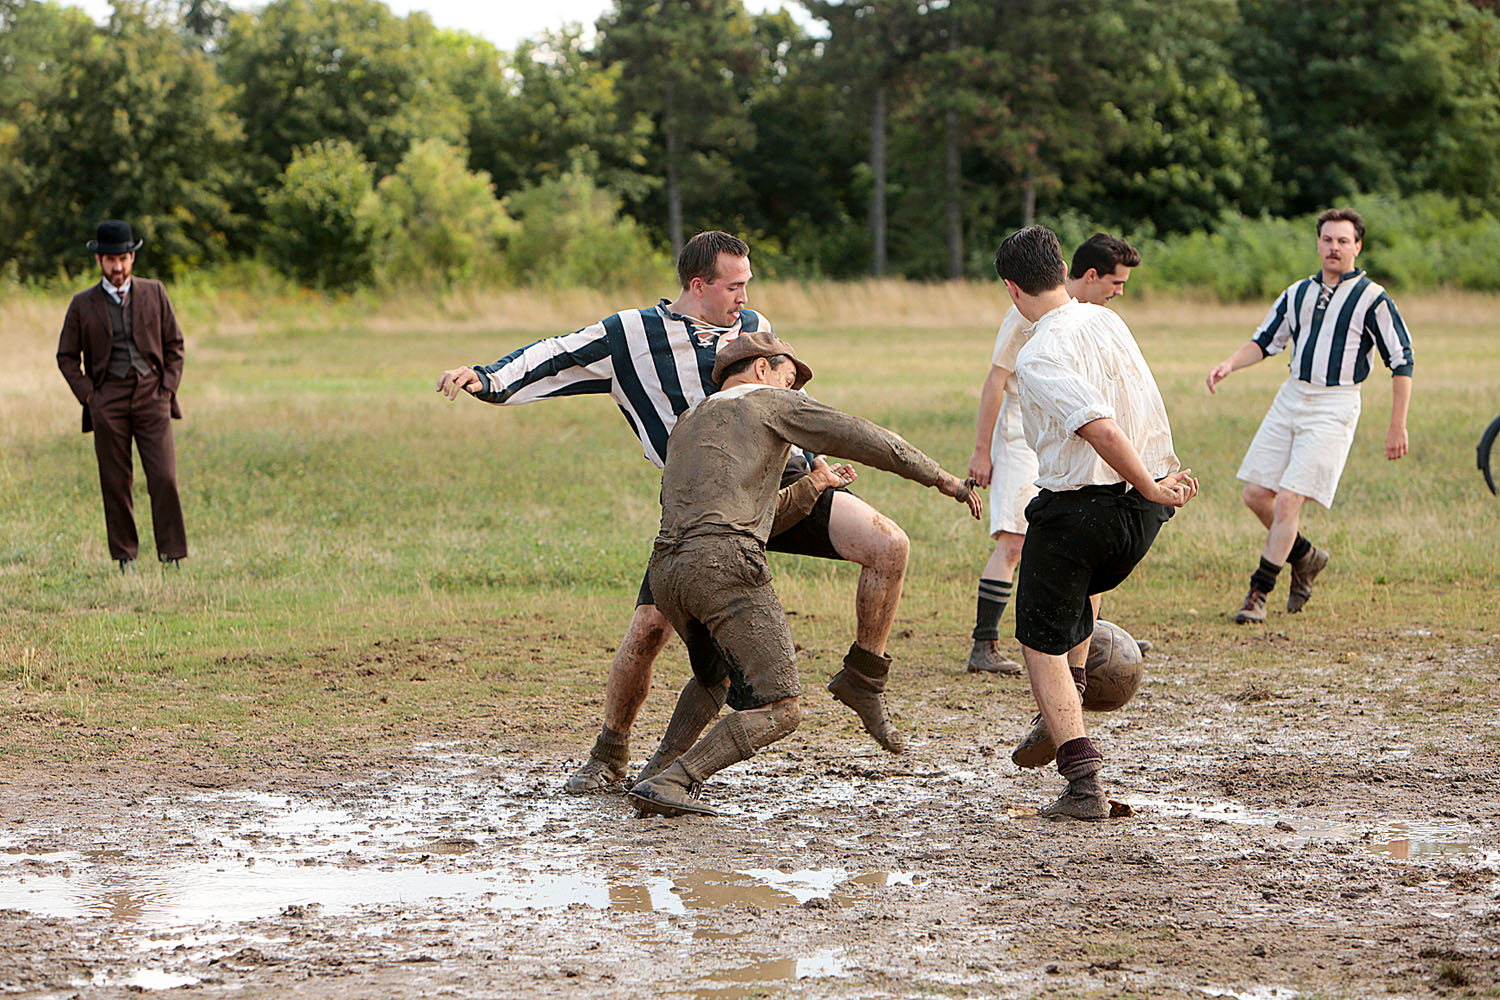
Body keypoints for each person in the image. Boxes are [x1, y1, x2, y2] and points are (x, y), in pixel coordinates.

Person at [436, 231, 916, 793]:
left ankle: (863, 677)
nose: (744, 296)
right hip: (703, 510)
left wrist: (813, 461)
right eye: (733, 286)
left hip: (784, 484)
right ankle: (610, 753)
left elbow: (786, 395)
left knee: (889, 545)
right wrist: (487, 377)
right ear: (698, 284)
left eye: (747, 285)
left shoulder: (753, 326)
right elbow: (555, 353)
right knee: (647, 630)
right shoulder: (631, 334)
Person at [627, 331, 982, 817]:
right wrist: (943, 479)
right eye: (788, 379)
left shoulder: (689, 421)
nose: (793, 392)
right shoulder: (767, 403)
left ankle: (653, 774)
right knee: (781, 708)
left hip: (667, 570)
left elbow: (755, 515)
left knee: (714, 679)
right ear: (760, 370)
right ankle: (677, 779)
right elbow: (867, 438)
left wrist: (815, 484)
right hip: (725, 566)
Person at [993, 225, 1197, 821]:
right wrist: (1162, 484)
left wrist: (1148, 481)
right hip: (1145, 518)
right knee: (1078, 594)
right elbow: (1144, 404)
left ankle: (1082, 782)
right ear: (1062, 269)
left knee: (1036, 640)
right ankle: (1071, 699)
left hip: (1091, 506)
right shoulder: (1106, 320)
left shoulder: (1037, 354)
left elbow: (1099, 426)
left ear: (1012, 288)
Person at [1206, 208, 1413, 624]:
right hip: (1292, 395)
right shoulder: (1298, 292)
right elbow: (1265, 341)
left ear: (1357, 246)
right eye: (1326, 239)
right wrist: (1229, 364)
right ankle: (1306, 554)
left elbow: (1402, 361)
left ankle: (1258, 594)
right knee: (1255, 495)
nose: (1333, 247)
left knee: (1288, 499)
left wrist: (1397, 424)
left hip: (1336, 403)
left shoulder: (1373, 298)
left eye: (1342, 240)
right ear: (1317, 243)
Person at [965, 233, 1141, 674]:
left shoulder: (1091, 319)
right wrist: (981, 450)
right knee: (1016, 538)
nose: (1120, 292)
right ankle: (984, 644)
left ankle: (1081, 648)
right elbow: (994, 381)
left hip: (1072, 434)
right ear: (1082, 274)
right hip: (1024, 434)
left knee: (1085, 543)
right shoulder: (1024, 314)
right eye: (1116, 283)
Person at [56, 220, 188, 571]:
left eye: (124, 259)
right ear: (98, 260)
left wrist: (167, 388)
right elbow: (66, 357)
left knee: (165, 477)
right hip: (107, 400)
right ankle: (125, 558)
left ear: (132, 258)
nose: (118, 267)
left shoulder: (155, 292)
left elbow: (175, 344)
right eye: (111, 260)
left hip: (152, 395)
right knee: (115, 482)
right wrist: (90, 397)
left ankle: (172, 554)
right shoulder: (82, 304)